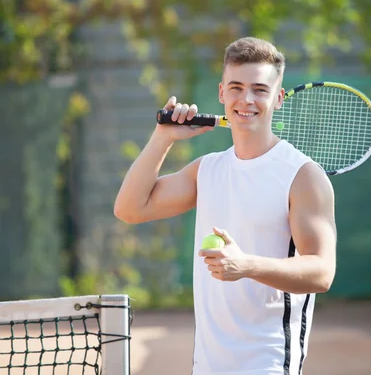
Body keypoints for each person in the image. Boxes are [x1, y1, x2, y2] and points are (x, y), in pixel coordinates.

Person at [114, 36, 337, 374]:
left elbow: (322, 272)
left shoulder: (303, 175)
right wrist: (163, 138)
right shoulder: (207, 170)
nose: (246, 99)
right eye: (236, 87)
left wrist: (246, 265)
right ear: (221, 94)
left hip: (269, 364)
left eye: (259, 90)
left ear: (278, 98)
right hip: (206, 365)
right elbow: (129, 209)